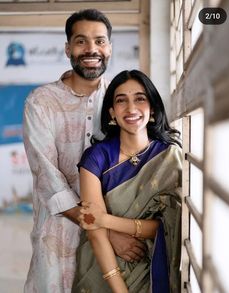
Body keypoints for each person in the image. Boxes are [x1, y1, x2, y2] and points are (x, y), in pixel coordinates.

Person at [23, 10, 146, 293]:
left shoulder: (120, 100)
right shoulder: (41, 103)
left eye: (100, 41)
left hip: (118, 239)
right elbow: (48, 180)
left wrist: (115, 230)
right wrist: (106, 232)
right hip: (58, 240)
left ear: (110, 48)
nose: (91, 49)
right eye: (81, 41)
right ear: (68, 48)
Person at [72, 70, 182, 293]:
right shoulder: (96, 157)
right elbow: (94, 229)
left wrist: (106, 220)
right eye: (121, 101)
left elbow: (170, 227)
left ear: (152, 108)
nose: (131, 108)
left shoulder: (169, 158)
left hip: (154, 267)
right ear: (112, 113)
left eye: (140, 99)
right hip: (102, 271)